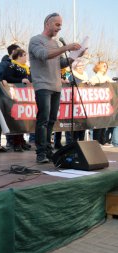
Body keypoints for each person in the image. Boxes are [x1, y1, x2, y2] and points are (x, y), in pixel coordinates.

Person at [28, 12, 82, 163]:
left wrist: (75, 56)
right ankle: (40, 153)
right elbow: (43, 55)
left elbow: (60, 64)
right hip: (43, 85)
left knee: (52, 120)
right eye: (57, 24)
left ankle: (47, 149)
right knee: (43, 119)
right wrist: (66, 48)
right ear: (47, 24)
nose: (60, 28)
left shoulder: (56, 44)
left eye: (60, 25)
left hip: (56, 86)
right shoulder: (36, 40)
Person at [3, 48, 32, 152]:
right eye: (24, 55)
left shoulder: (26, 68)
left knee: (23, 119)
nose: (26, 57)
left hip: (25, 96)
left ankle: (21, 140)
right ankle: (16, 143)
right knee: (17, 118)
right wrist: (21, 80)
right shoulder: (12, 66)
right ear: (19, 56)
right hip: (16, 96)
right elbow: (7, 77)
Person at [89, 61, 115, 145]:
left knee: (104, 124)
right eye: (104, 66)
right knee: (98, 124)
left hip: (106, 104)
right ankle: (96, 142)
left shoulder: (107, 77)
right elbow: (90, 84)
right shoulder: (95, 77)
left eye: (106, 66)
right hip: (98, 104)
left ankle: (102, 141)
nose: (105, 67)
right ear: (99, 66)